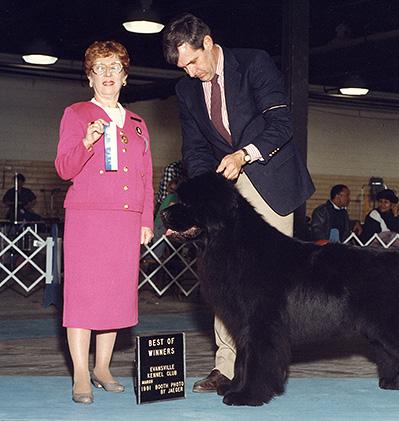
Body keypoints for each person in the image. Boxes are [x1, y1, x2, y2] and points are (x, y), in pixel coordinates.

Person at [163, 13, 315, 392]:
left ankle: (268, 366)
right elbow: (195, 149)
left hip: (269, 177)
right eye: (183, 67)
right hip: (224, 188)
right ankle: (226, 367)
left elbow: (282, 125)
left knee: (271, 284)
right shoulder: (186, 90)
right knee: (223, 276)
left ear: (209, 43)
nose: (190, 71)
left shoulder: (254, 63)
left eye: (193, 61)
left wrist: (244, 155)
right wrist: (205, 189)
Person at [55, 40, 154, 404]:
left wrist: (146, 221)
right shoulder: (76, 113)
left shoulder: (139, 124)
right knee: (82, 297)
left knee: (115, 295)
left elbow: (145, 175)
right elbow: (64, 168)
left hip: (126, 222)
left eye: (115, 67)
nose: (108, 74)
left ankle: (103, 367)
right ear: (90, 76)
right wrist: (86, 141)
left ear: (125, 77)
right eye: (101, 67)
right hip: (88, 218)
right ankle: (81, 374)